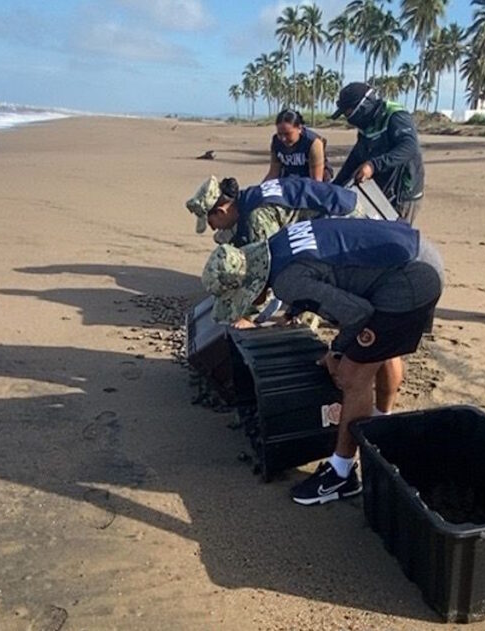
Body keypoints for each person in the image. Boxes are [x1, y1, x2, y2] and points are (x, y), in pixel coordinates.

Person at [201, 218, 443, 505]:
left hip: (409, 280)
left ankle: (342, 474)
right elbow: (327, 266)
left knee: (353, 375)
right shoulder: (280, 241)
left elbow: (359, 314)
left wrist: (337, 352)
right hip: (415, 252)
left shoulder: (287, 281)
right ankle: (382, 427)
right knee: (384, 346)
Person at [331, 82, 425, 225]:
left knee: (396, 236)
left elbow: (409, 147)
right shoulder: (367, 124)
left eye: (349, 113)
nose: (348, 119)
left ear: (363, 106)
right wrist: (335, 186)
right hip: (381, 190)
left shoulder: (395, 115)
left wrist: (373, 165)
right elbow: (357, 156)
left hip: (403, 191)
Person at [185, 175, 363, 247]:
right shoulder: (249, 197)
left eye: (210, 223)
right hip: (342, 202)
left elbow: (267, 265)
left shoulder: (257, 216)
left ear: (221, 211)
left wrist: (248, 315)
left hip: (343, 219)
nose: (213, 229)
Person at [264, 109, 332, 182]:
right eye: (280, 134)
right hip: (290, 179)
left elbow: (316, 180)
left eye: (287, 134)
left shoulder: (313, 142)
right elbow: (273, 173)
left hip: (313, 180)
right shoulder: (276, 141)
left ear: (299, 128)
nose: (283, 139)